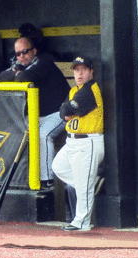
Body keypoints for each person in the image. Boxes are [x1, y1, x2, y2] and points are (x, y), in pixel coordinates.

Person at [0, 37, 70, 188]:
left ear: (34, 51)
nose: (21, 56)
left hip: (60, 113)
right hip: (39, 116)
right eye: (18, 54)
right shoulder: (20, 65)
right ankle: (18, 180)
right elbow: (0, 77)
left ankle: (47, 180)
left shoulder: (44, 61)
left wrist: (16, 74)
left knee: (43, 135)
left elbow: (24, 77)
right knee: (15, 132)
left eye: (25, 52)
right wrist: (15, 73)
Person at [51, 56, 104, 231]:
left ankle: (82, 223)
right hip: (72, 142)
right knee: (58, 167)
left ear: (91, 71)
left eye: (83, 70)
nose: (79, 73)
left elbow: (66, 110)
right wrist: (69, 111)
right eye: (76, 70)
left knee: (83, 186)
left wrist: (69, 111)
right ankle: (92, 182)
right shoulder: (75, 90)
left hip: (87, 142)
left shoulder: (90, 90)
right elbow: (63, 111)